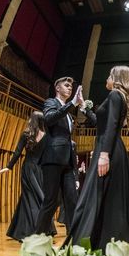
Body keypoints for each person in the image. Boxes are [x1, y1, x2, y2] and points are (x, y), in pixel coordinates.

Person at [66, 66, 129, 256]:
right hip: (107, 148)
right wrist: (84, 107)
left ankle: (107, 246)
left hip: (108, 151)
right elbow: (100, 124)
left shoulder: (116, 95)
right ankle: (106, 245)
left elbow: (111, 126)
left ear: (117, 79)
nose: (107, 78)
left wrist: (104, 155)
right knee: (105, 201)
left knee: (103, 200)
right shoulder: (116, 97)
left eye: (110, 75)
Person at [0, 111, 56, 241]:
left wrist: (9, 166)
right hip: (40, 170)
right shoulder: (46, 136)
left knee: (30, 198)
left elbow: (17, 152)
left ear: (33, 120)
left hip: (28, 169)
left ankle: (33, 231)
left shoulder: (26, 134)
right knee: (35, 197)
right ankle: (36, 229)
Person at [35, 76, 82, 236]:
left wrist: (75, 170)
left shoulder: (68, 114)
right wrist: (72, 104)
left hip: (67, 162)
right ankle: (37, 238)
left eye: (71, 86)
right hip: (52, 158)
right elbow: (49, 119)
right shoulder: (51, 102)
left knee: (72, 200)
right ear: (57, 88)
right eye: (66, 85)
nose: (70, 88)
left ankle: (74, 237)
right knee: (51, 201)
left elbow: (69, 141)